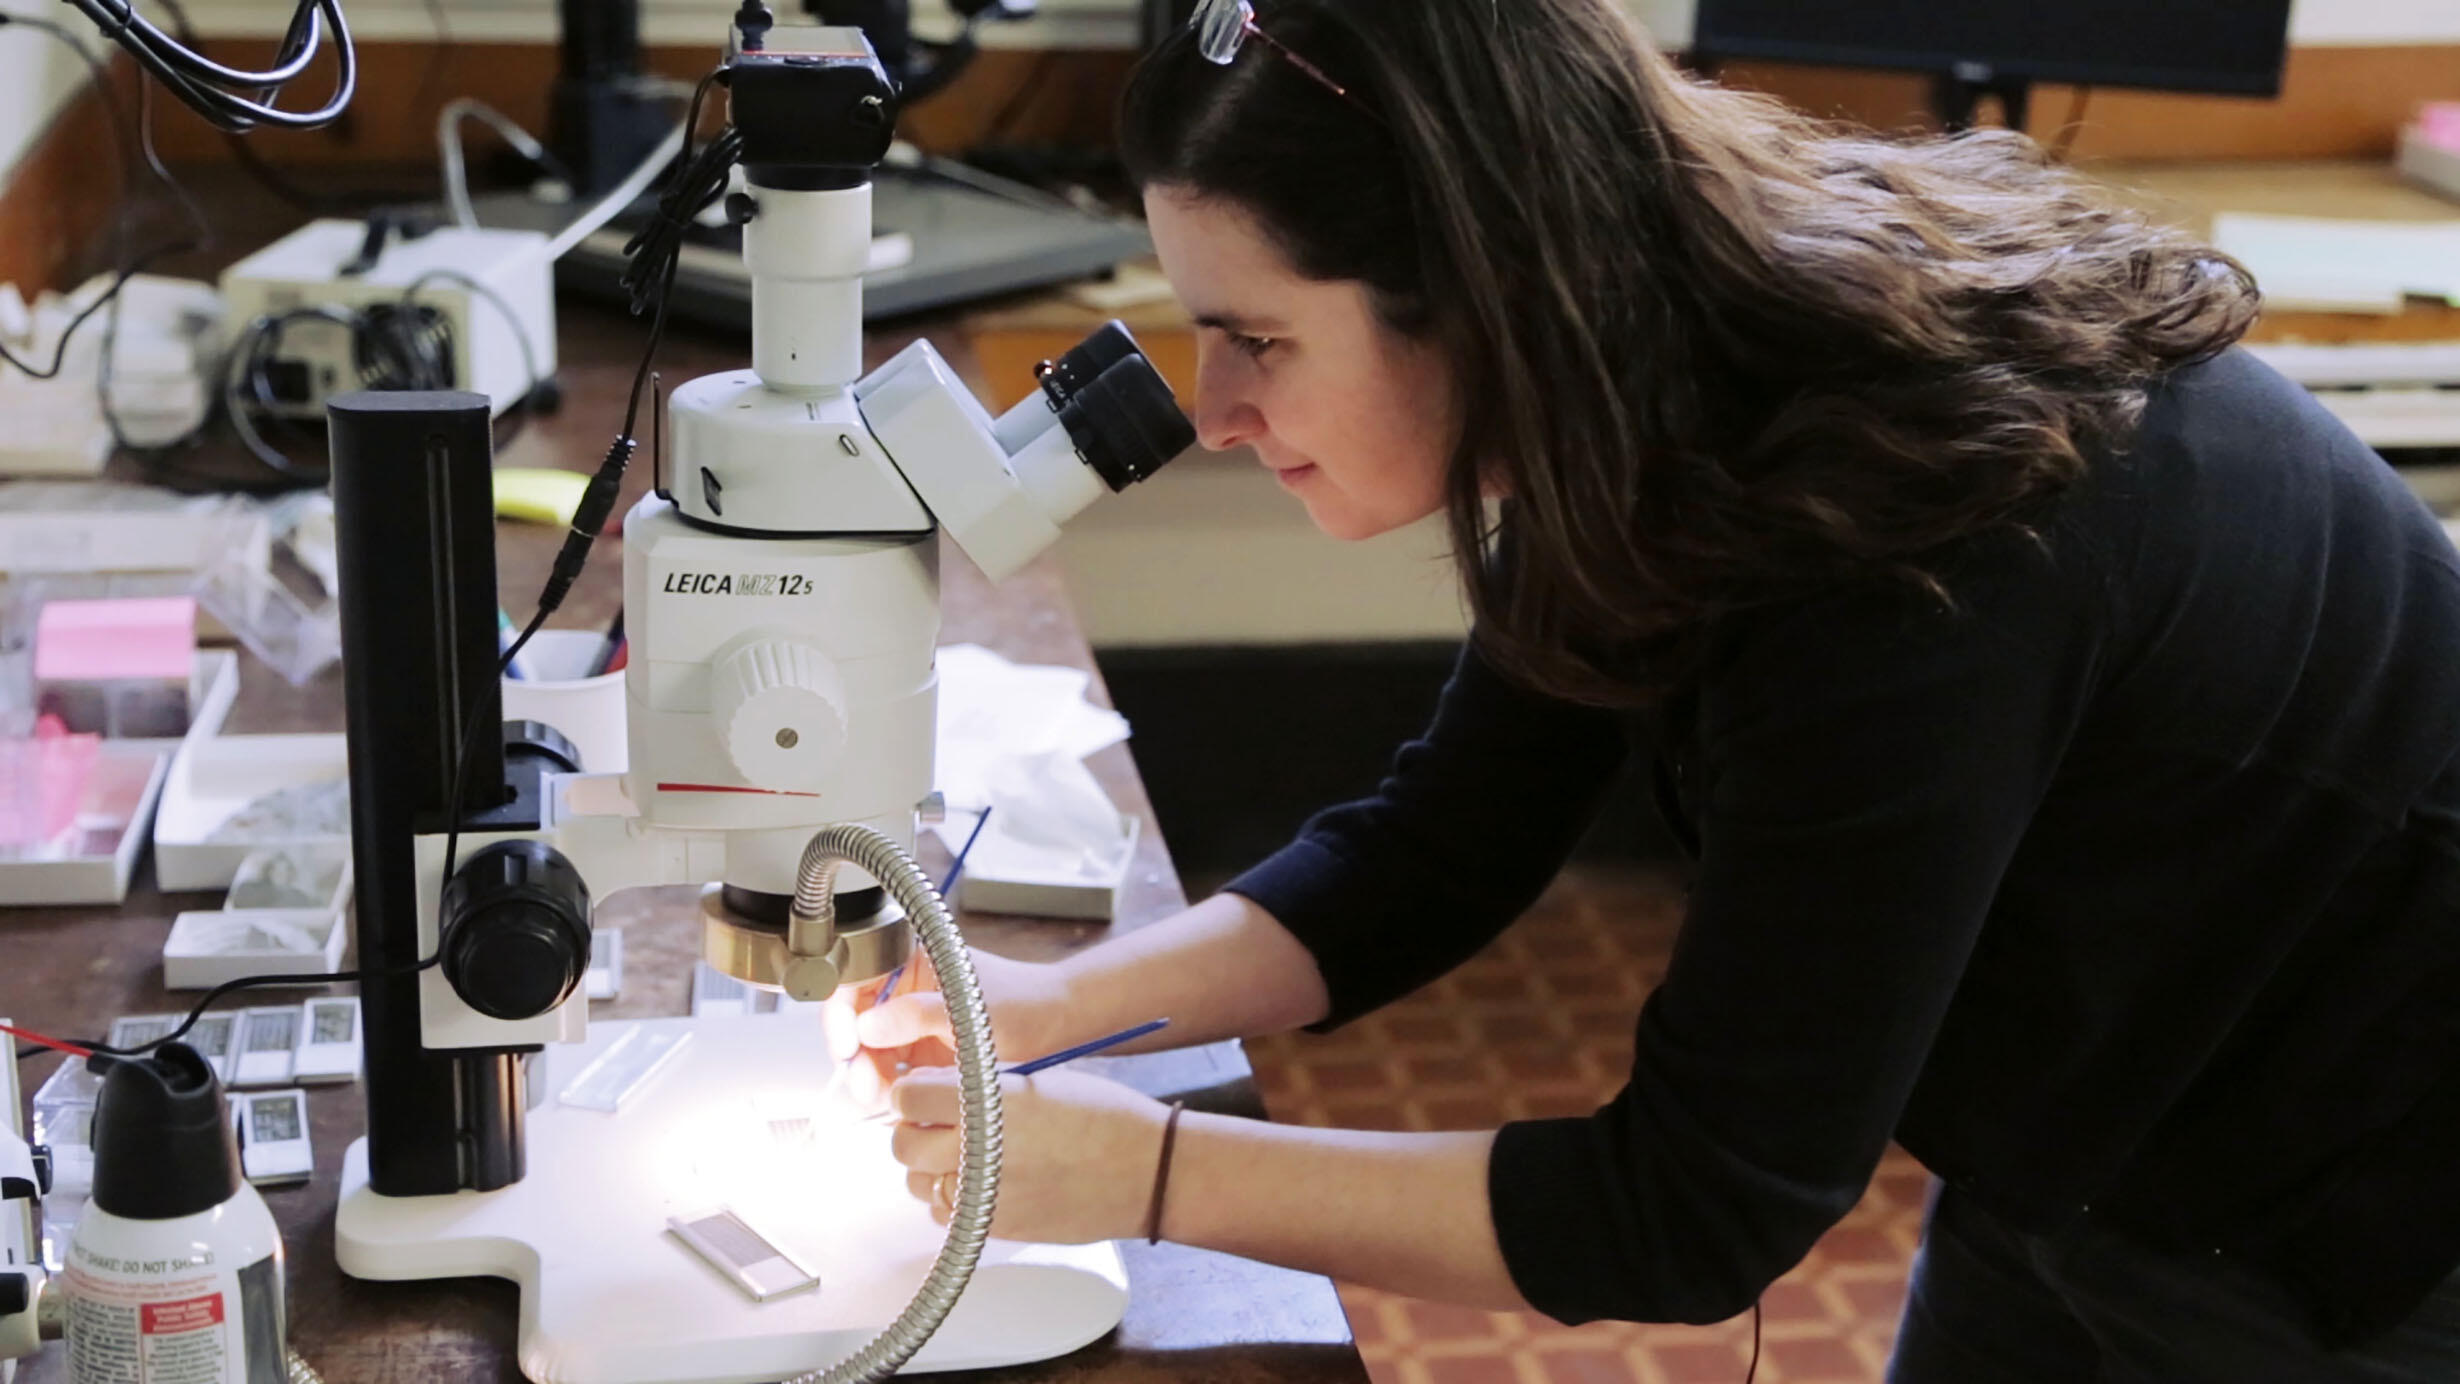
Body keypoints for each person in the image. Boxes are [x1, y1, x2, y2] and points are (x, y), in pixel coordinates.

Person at [827, 0, 2460, 1376]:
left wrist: (1148, 1172)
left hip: (2370, 1192)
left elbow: (1695, 1214)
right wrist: (1037, 1009)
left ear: (1486, 288)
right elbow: (1439, 849)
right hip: (2094, 1113)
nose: (1218, 408)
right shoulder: (1642, 382)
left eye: (1257, 336)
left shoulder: (1902, 550)